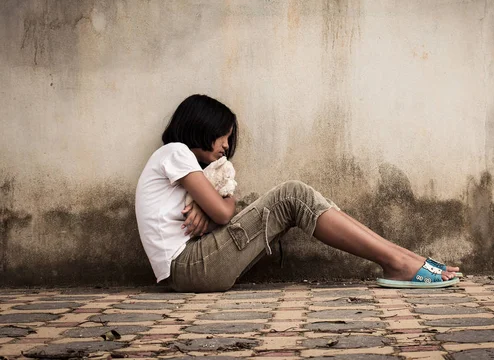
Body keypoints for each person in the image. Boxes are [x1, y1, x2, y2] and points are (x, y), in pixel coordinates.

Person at [135, 94, 460, 293]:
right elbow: (223, 213)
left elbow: (215, 213)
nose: (225, 147)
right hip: (190, 267)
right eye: (224, 136)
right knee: (292, 195)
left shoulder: (181, 165)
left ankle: (403, 258)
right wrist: (222, 201)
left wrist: (213, 206)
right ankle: (397, 261)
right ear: (201, 126)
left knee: (299, 198)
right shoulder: (175, 152)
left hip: (192, 267)